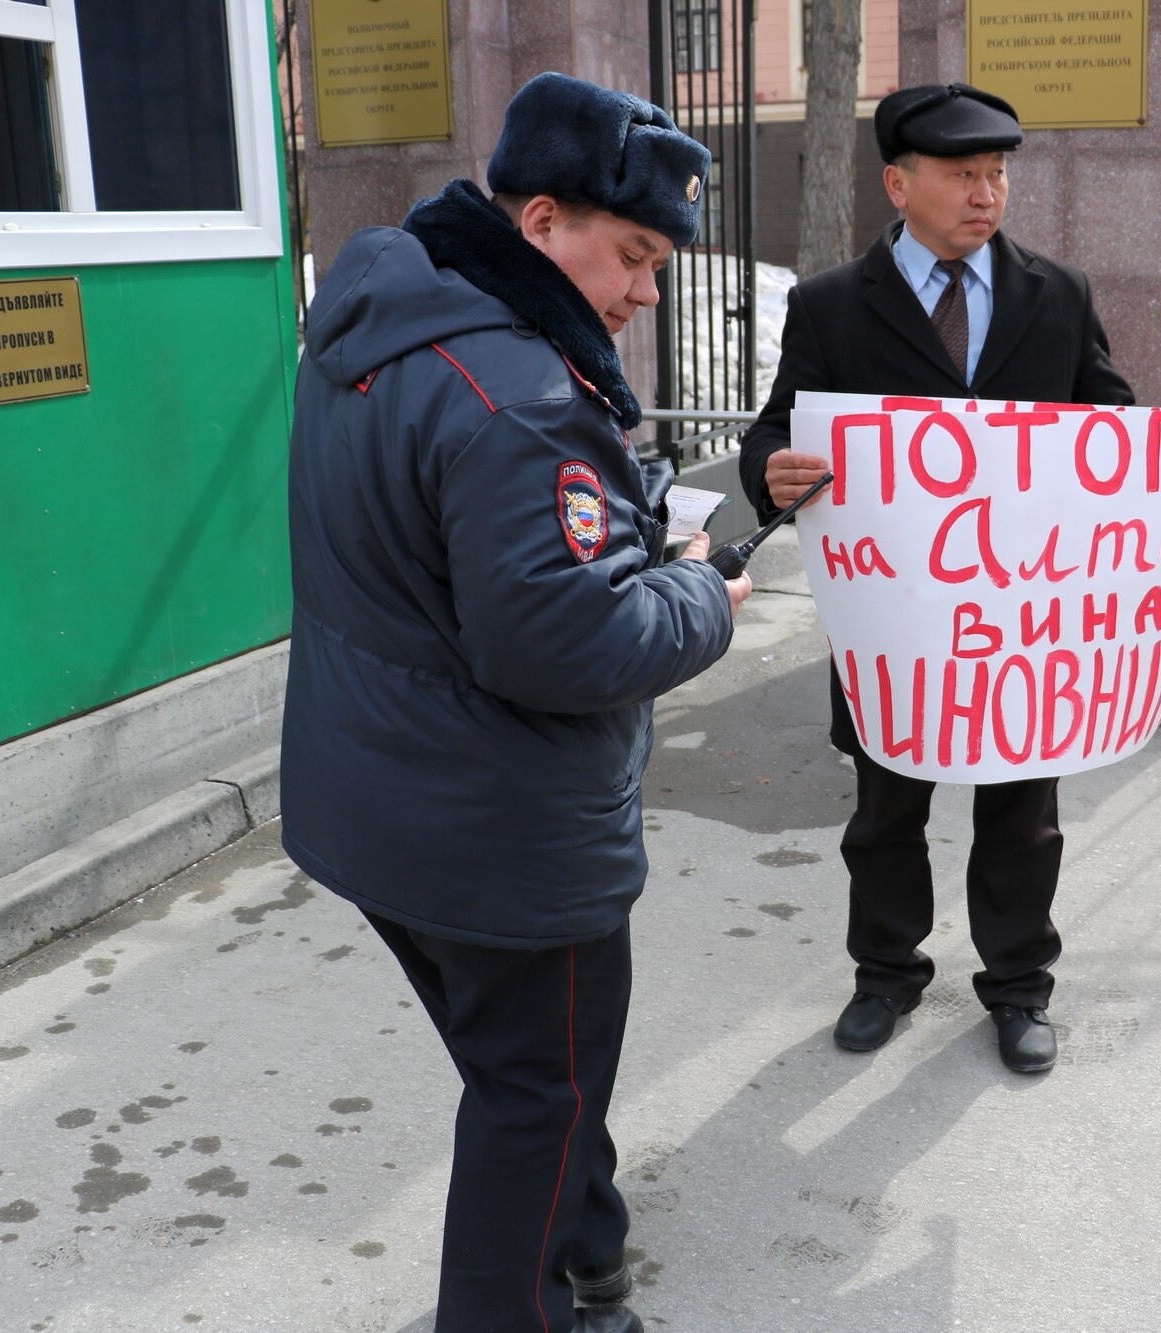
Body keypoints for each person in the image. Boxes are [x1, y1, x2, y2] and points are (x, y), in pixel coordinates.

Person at [280, 72, 749, 1333]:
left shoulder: (387, 314)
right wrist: (701, 593)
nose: (647, 291)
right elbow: (567, 641)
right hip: (501, 832)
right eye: (633, 255)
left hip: (378, 798)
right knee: (535, 1092)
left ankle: (589, 1239)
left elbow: (444, 557)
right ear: (541, 222)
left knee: (525, 1065)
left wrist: (628, 532)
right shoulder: (522, 397)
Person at [740, 83, 1161, 1075]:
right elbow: (778, 428)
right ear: (898, 185)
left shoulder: (1057, 294)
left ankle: (1017, 985)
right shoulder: (830, 305)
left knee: (1022, 814)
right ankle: (885, 973)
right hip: (895, 624)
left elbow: (1120, 442)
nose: (986, 193)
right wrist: (771, 469)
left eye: (998, 173)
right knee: (884, 811)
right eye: (963, 174)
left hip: (1023, 628)